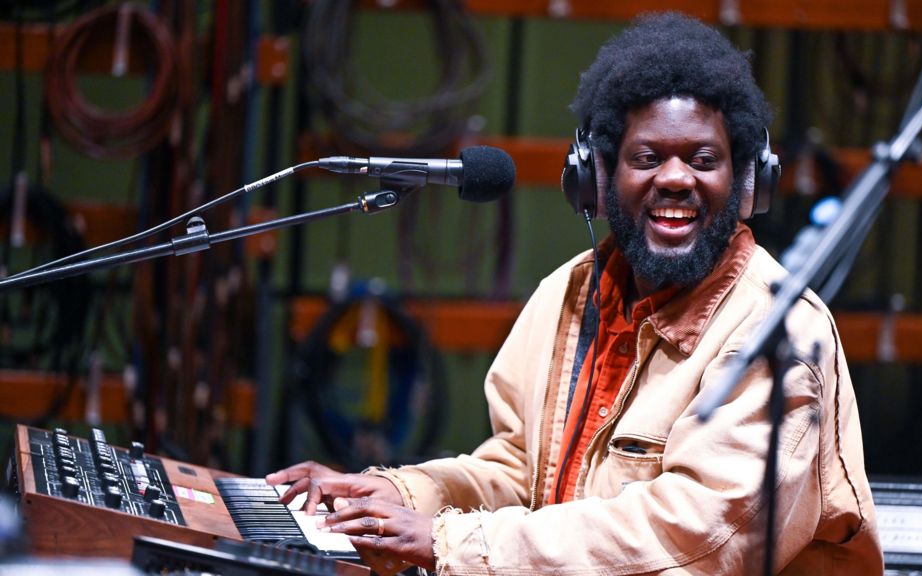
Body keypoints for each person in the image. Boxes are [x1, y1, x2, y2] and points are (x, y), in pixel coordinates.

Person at [268, 12, 883, 575]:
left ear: (747, 181)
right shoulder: (569, 295)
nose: (674, 178)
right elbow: (518, 471)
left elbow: (697, 537)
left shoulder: (778, 332)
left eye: (703, 158)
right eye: (646, 157)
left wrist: (450, 544)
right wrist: (396, 497)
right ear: (596, 178)